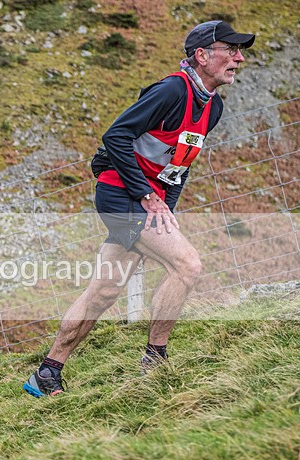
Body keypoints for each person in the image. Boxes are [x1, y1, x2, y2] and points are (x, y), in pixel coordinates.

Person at [24, 21, 255, 397]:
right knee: (187, 265)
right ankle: (155, 360)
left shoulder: (213, 107)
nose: (239, 58)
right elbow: (115, 135)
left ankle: (47, 372)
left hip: (146, 200)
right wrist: (148, 197)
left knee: (103, 292)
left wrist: (167, 211)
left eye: (239, 52)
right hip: (120, 195)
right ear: (201, 55)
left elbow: (179, 166)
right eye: (230, 50)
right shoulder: (171, 90)